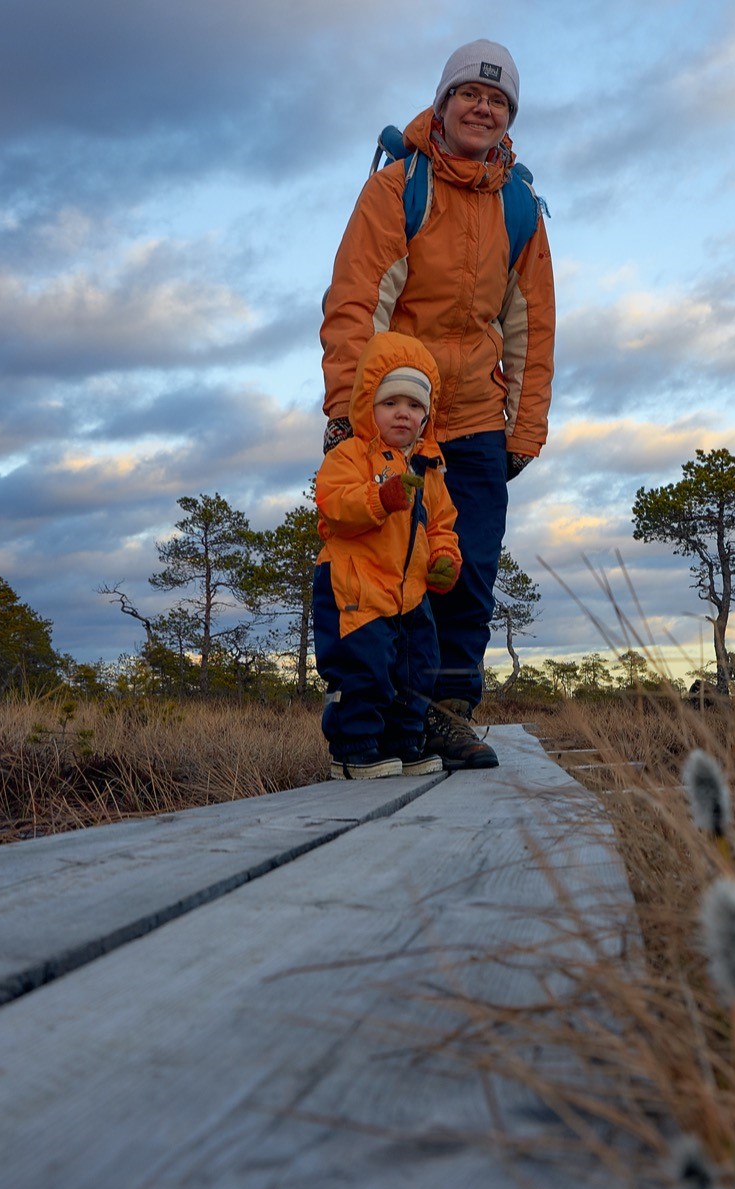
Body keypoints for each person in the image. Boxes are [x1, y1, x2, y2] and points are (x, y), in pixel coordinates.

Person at [320, 38, 554, 769]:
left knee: (467, 572)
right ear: (444, 103)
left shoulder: (520, 207)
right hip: (398, 419)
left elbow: (530, 327)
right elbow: (357, 302)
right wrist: (345, 412)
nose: (482, 108)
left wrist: (526, 429)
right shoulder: (397, 187)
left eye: (497, 100)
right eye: (469, 95)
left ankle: (446, 716)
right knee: (386, 572)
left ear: (507, 116)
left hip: (479, 422)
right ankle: (379, 721)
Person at [313, 331, 462, 780]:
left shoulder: (428, 469)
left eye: (415, 406)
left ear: (426, 416)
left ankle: (404, 744)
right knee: (365, 671)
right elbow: (332, 506)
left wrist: (445, 560)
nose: (404, 413)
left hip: (411, 595)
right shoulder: (350, 455)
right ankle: (353, 750)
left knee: (416, 671)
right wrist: (381, 498)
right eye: (391, 402)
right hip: (356, 588)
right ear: (368, 405)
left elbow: (442, 525)